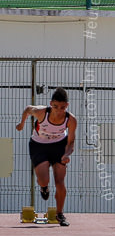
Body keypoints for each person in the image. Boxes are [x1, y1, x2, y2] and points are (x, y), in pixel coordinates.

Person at [16, 88, 77, 226]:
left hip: (59, 146)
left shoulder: (71, 119)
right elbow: (27, 109)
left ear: (66, 106)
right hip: (39, 146)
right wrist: (22, 123)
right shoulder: (41, 112)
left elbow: (71, 141)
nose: (58, 111)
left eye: (62, 107)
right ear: (50, 104)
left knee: (60, 182)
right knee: (43, 180)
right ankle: (44, 187)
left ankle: (60, 214)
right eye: (55, 107)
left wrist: (67, 154)